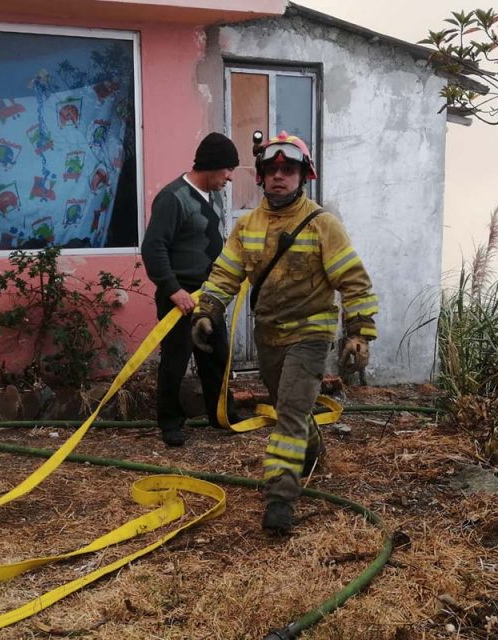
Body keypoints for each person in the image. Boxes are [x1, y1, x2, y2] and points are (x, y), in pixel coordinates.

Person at [191, 131, 378, 534]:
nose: (279, 176)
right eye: (271, 170)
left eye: (288, 169)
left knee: (288, 415)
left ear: (303, 175)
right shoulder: (248, 226)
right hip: (269, 335)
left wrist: (358, 331)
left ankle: (280, 498)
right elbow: (225, 273)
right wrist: (207, 310)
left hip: (311, 333)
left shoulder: (323, 225)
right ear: (260, 176)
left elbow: (353, 281)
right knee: (290, 407)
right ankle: (311, 448)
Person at [142, 132, 242, 447]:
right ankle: (171, 423)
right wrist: (173, 290)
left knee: (216, 356)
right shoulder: (174, 198)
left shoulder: (215, 195)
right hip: (180, 297)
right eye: (226, 169)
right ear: (211, 165)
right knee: (175, 360)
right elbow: (153, 248)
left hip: (208, 295)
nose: (229, 177)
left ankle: (221, 414)